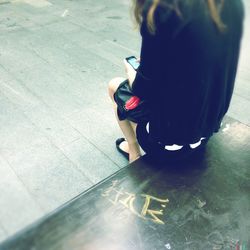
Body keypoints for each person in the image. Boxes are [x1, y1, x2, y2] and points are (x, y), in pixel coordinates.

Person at [108, 0, 244, 163]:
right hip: (205, 134)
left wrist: (131, 69)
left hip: (165, 145)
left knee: (114, 85)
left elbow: (142, 89)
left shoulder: (163, 9)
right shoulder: (231, 4)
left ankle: (134, 151)